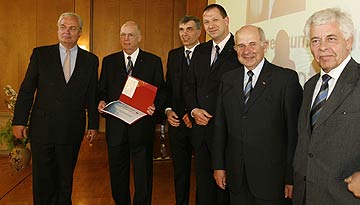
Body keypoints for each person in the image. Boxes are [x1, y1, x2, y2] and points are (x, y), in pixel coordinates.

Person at [11, 12, 99, 205]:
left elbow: (92, 95)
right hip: (43, 129)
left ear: (80, 33)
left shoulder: (91, 60)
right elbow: (27, 90)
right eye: (63, 27)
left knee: (65, 180)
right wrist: (19, 120)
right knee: (43, 181)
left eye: (72, 28)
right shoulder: (41, 54)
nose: (66, 32)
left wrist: (93, 124)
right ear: (58, 29)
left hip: (71, 130)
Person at [212, 25, 302, 205]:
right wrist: (219, 165)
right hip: (236, 176)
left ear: (265, 45)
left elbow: (294, 133)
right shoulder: (228, 79)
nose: (247, 51)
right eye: (241, 46)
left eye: (253, 44)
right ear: (235, 48)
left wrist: (290, 177)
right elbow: (220, 126)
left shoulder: (285, 79)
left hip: (271, 180)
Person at [292, 8, 360, 204]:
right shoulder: (310, 85)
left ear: (348, 41)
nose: (322, 47)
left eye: (331, 38)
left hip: (344, 197)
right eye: (315, 40)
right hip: (305, 194)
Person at [97, 21, 165, 205]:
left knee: (143, 174)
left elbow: (161, 92)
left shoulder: (153, 61)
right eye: (123, 35)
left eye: (130, 35)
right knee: (117, 174)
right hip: (116, 128)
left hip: (141, 128)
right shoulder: (109, 61)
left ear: (139, 38)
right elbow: (102, 90)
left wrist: (155, 107)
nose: (126, 39)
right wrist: (101, 102)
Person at [183, 4, 241, 205]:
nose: (211, 25)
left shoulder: (240, 49)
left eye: (215, 20)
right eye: (206, 22)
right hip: (201, 132)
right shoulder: (200, 50)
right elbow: (188, 85)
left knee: (224, 190)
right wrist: (193, 109)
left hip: (227, 134)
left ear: (226, 21)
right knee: (204, 190)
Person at [164, 15, 201, 205]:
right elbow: (169, 87)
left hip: (200, 123)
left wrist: (191, 112)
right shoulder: (174, 54)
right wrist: (168, 110)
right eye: (181, 30)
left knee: (203, 174)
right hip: (177, 122)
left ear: (198, 32)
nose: (184, 34)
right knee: (180, 171)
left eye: (189, 29)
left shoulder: (206, 53)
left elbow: (207, 90)